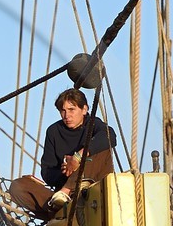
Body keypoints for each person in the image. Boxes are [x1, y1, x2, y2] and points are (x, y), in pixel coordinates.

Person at [9, 88, 117, 218]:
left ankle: (65, 195)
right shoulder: (53, 132)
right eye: (63, 111)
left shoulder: (93, 125)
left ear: (84, 109)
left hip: (95, 190)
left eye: (72, 110)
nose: (67, 116)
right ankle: (59, 208)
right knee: (17, 187)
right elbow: (47, 173)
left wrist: (77, 158)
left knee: (100, 146)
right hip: (63, 198)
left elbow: (110, 136)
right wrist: (66, 169)